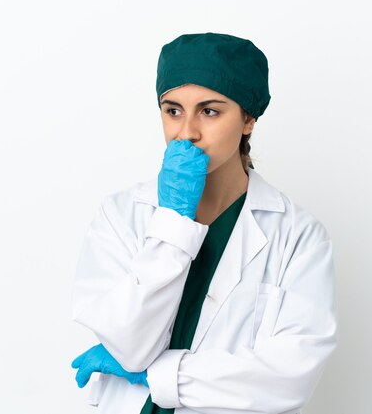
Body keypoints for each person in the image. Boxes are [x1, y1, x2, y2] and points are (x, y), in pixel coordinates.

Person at [70, 32, 338, 414]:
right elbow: (129, 347)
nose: (187, 132)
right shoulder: (121, 215)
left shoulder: (298, 236)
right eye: (173, 110)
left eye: (209, 111)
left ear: (248, 119)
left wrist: (154, 375)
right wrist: (174, 220)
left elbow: (288, 379)